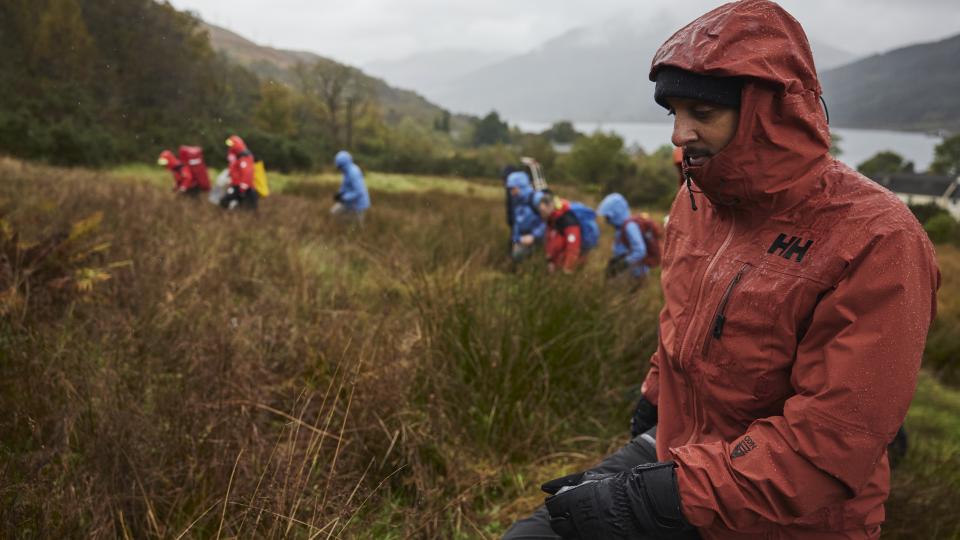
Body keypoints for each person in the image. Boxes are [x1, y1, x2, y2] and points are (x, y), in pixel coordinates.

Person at [504, 1, 940, 539]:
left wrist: (649, 497)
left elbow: (830, 443)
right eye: (674, 113)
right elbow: (682, 321)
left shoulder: (878, 237)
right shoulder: (695, 200)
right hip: (684, 454)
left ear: (767, 112)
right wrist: (653, 401)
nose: (678, 134)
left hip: (791, 518)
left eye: (702, 113)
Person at [596, 193, 662, 284]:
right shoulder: (621, 226)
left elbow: (640, 250)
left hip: (635, 273)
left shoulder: (630, 226)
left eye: (608, 216)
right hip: (630, 271)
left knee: (626, 296)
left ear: (615, 213)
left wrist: (622, 264)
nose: (607, 220)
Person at [535, 190, 598, 274]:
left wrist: (567, 269)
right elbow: (550, 241)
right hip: (557, 265)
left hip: (569, 268)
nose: (541, 214)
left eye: (542, 211)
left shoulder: (568, 220)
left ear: (550, 206)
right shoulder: (551, 220)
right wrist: (550, 260)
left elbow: (573, 247)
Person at [507, 171, 545, 262]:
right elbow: (517, 224)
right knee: (517, 257)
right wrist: (516, 240)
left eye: (513, 188)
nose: (511, 192)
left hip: (540, 241)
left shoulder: (537, 199)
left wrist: (534, 236)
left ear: (521, 186)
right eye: (510, 189)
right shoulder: (517, 202)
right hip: (524, 241)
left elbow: (549, 221)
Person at [331, 150, 370, 224]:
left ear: (343, 164)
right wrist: (340, 194)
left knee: (356, 227)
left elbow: (359, 192)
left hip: (358, 205)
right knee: (334, 213)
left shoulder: (353, 173)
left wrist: (343, 198)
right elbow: (345, 185)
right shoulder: (347, 171)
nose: (338, 169)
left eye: (339, 166)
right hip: (350, 202)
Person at [221, 135, 258, 211]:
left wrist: (243, 185)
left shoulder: (244, 156)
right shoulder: (235, 157)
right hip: (236, 185)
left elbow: (247, 172)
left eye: (231, 145)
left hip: (244, 187)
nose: (229, 147)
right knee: (226, 202)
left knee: (248, 209)